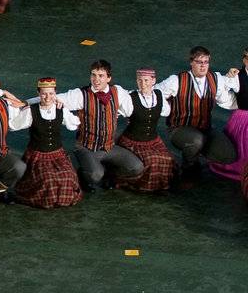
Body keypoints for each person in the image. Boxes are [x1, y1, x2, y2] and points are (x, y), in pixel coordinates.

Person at [57, 61, 144, 194]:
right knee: (96, 175)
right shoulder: (81, 94)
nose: (96, 80)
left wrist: (116, 112)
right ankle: (83, 175)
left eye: (101, 76)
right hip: (86, 146)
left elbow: (129, 109)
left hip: (109, 146)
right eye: (93, 75)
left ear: (109, 78)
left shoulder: (117, 92)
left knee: (136, 167)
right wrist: (27, 102)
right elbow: (52, 98)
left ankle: (109, 172)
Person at [158, 46, 240, 174]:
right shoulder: (177, 80)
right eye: (199, 62)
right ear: (191, 62)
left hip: (205, 129)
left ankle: (199, 150)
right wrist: (167, 109)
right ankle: (189, 166)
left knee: (228, 155)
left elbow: (225, 100)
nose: (203, 66)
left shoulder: (215, 79)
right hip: (179, 129)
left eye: (206, 62)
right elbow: (156, 93)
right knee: (196, 140)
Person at [5, 77, 83, 210]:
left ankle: (62, 198)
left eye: (51, 93)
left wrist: (62, 104)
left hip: (58, 155)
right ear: (38, 93)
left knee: (67, 177)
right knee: (48, 180)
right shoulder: (31, 111)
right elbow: (13, 125)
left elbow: (74, 124)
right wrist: (16, 106)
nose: (48, 97)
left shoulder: (61, 110)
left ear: (55, 93)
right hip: (37, 156)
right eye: (44, 93)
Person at [116, 67, 176, 193]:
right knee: (152, 160)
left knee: (168, 159)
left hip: (153, 140)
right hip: (133, 141)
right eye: (140, 80)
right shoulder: (130, 98)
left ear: (153, 80)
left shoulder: (159, 96)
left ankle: (162, 186)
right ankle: (144, 187)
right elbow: (116, 112)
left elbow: (166, 112)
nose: (143, 84)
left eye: (146, 80)